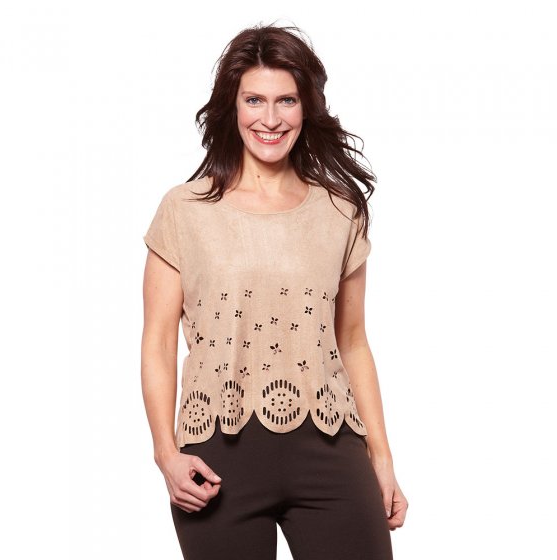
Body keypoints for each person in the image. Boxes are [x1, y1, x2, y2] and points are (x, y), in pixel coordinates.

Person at [141, 22, 408, 560]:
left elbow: (353, 341)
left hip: (331, 448)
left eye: (286, 100)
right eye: (254, 100)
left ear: (306, 107)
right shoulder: (184, 210)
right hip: (216, 457)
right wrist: (165, 454)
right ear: (232, 106)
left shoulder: (340, 211)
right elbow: (158, 342)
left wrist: (382, 459)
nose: (270, 119)